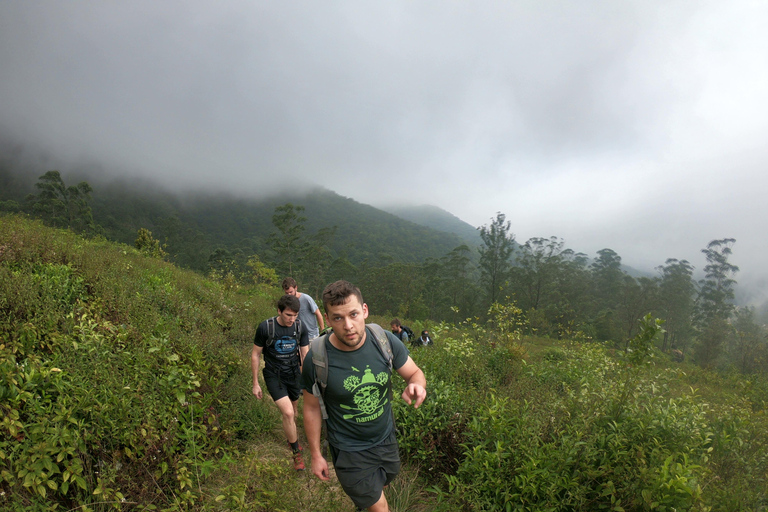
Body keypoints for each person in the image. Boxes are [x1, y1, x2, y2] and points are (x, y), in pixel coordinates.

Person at [302, 281, 427, 512]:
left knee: (382, 485)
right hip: (349, 450)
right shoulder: (317, 357)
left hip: (386, 438)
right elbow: (310, 407)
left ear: (365, 311)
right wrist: (316, 454)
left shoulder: (384, 340)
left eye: (353, 314)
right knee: (380, 508)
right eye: (338, 318)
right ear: (327, 320)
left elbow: (415, 373)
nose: (348, 325)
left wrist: (417, 386)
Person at [252, 294, 310, 471]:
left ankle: (291, 437)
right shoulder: (266, 327)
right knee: (288, 413)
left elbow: (304, 354)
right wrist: (255, 383)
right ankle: (296, 454)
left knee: (294, 411)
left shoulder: (300, 327)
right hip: (273, 375)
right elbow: (255, 354)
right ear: (279, 311)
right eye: (288, 315)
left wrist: (307, 379)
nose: (292, 319)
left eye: (295, 315)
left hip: (293, 374)